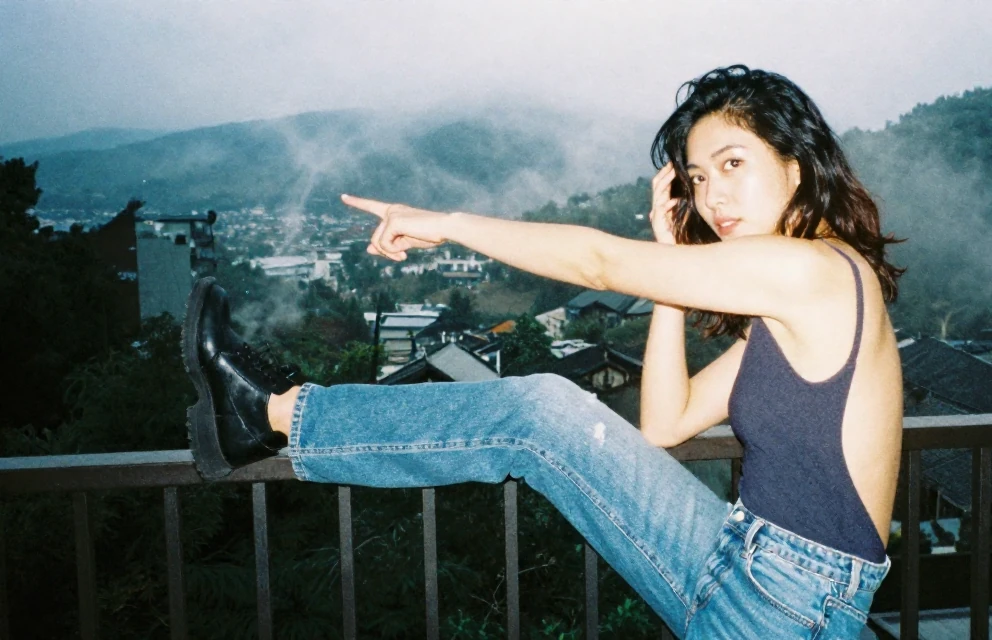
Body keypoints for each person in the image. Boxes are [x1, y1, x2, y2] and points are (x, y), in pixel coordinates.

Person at [183, 65, 904, 638]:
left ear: (797, 168)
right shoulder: (788, 303)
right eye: (697, 178)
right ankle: (268, 415)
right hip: (740, 554)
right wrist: (668, 265)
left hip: (790, 603)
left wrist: (447, 223)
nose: (713, 196)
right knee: (540, 416)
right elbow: (665, 421)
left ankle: (272, 413)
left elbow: (595, 263)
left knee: (540, 413)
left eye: (733, 162)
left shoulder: (816, 273)